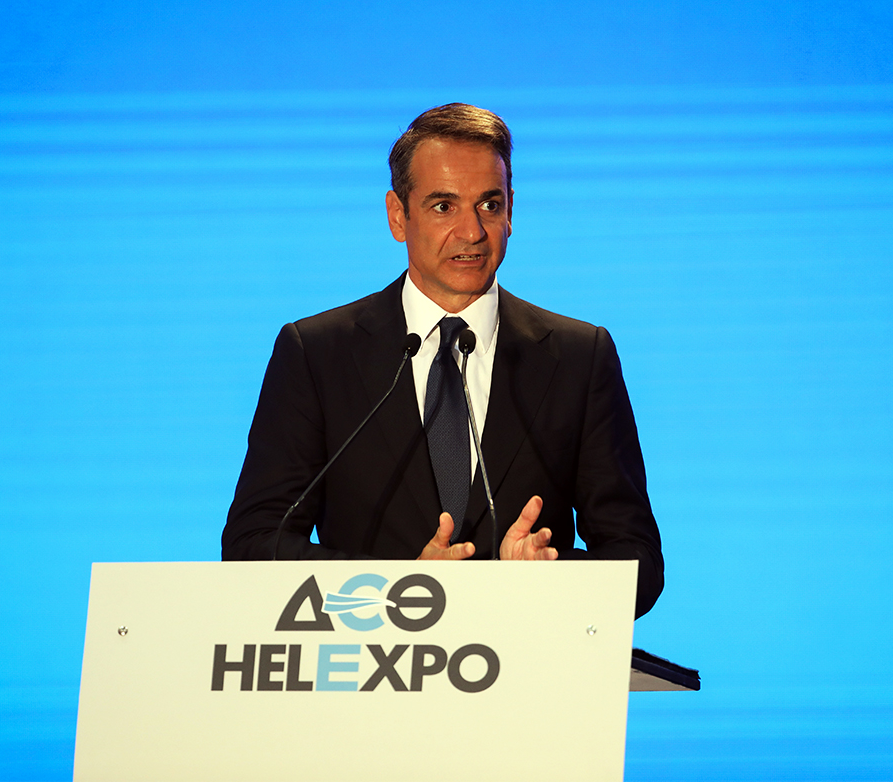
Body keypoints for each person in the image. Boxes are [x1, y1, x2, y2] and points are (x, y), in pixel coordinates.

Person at [222, 103, 663, 618]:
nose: (472, 231)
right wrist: (397, 590)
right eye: (443, 206)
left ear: (511, 211)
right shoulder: (317, 353)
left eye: (489, 204)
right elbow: (253, 544)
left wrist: (550, 577)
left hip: (524, 658)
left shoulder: (578, 357)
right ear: (397, 216)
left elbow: (638, 562)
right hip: (372, 664)